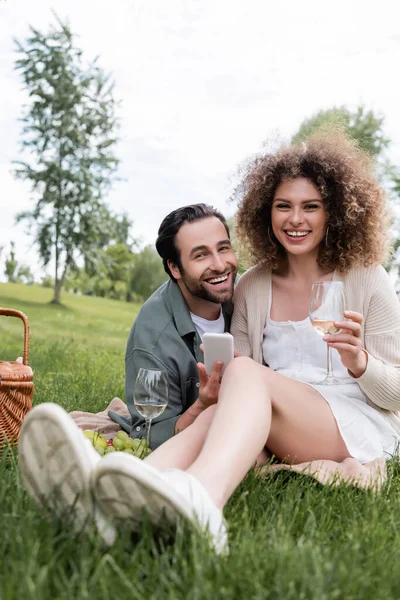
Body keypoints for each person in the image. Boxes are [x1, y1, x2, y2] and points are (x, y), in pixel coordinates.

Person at [19, 133, 400, 554]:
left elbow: (397, 394)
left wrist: (361, 363)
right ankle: (109, 490)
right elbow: (246, 391)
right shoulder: (254, 285)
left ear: (334, 212)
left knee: (237, 377)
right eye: (283, 206)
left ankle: (203, 499)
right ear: (265, 213)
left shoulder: (367, 276)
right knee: (215, 410)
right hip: (287, 417)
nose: (296, 219)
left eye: (311, 206)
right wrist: (211, 401)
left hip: (356, 424)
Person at [109, 203, 238, 448]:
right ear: (174, 268)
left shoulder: (251, 295)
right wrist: (203, 406)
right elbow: (149, 433)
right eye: (201, 255)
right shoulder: (154, 336)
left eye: (223, 248)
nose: (220, 265)